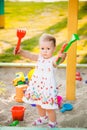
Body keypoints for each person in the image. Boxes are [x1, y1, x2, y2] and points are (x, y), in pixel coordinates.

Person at [14, 33, 66, 128]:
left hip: (47, 89)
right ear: (40, 48)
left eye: (48, 49)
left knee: (49, 108)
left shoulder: (53, 60)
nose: (45, 51)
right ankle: (43, 118)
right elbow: (29, 55)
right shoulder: (39, 57)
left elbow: (59, 60)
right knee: (38, 104)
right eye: (42, 48)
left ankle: (53, 122)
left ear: (54, 49)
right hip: (37, 86)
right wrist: (20, 52)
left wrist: (62, 56)